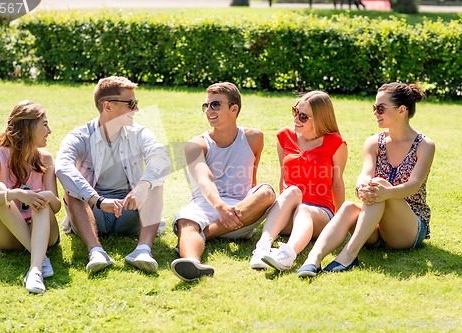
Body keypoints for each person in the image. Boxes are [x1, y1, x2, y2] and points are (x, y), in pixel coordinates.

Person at [297, 82, 435, 277]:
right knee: (347, 207)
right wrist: (361, 185)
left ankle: (348, 256)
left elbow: (414, 185)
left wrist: (385, 192)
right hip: (375, 223)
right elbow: (366, 173)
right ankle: (313, 259)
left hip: (408, 227)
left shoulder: (425, 145)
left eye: (381, 108)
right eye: (374, 108)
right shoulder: (373, 142)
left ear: (402, 110)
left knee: (379, 185)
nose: (375, 113)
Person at [55, 76, 171, 275]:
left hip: (130, 210)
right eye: (131, 104)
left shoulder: (139, 133)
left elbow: (161, 159)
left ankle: (143, 250)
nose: (136, 109)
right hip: (93, 212)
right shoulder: (81, 135)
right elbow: (63, 167)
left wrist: (143, 186)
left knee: (154, 183)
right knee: (72, 190)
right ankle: (96, 251)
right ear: (108, 106)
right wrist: (98, 200)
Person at [171, 82, 276, 282]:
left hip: (242, 211)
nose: (209, 110)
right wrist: (220, 206)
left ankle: (205, 234)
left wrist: (245, 206)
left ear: (233, 109)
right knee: (186, 221)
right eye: (207, 105)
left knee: (267, 192)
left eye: (215, 105)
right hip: (208, 205)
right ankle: (192, 263)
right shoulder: (196, 145)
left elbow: (252, 175)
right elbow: (204, 179)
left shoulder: (254, 137)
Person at [249, 91, 348, 271]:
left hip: (320, 213)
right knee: (292, 191)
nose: (296, 118)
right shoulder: (284, 136)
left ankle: (288, 255)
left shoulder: (335, 143)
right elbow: (283, 178)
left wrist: (340, 223)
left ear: (319, 119)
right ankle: (262, 248)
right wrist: (281, 210)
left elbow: (337, 183)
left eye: (303, 116)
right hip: (289, 214)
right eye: (295, 111)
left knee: (304, 208)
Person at [0, 101, 61, 294]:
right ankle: (39, 256)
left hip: (45, 233)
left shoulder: (46, 159)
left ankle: (36, 270)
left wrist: (46, 196)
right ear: (28, 129)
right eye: (44, 125)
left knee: (42, 200)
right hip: (8, 236)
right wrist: (16, 194)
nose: (50, 130)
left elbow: (55, 207)